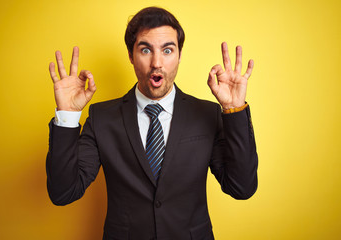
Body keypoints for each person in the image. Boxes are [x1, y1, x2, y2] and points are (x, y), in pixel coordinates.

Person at [46, 6, 258, 240]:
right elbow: (63, 193)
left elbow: (241, 188)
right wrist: (67, 116)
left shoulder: (208, 113)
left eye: (167, 50)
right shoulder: (101, 118)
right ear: (130, 55)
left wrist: (234, 110)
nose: (157, 62)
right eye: (145, 50)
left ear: (179, 55)